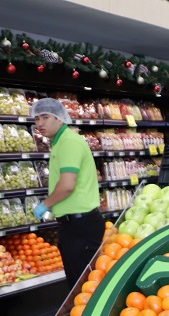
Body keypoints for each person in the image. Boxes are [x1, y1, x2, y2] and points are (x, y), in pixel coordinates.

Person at [30, 98, 105, 289]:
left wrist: (45, 205)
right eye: (37, 119)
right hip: (75, 224)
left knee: (83, 287)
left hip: (80, 226)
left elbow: (67, 185)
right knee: (79, 284)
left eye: (45, 117)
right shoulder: (61, 142)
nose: (40, 123)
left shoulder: (69, 143)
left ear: (60, 118)